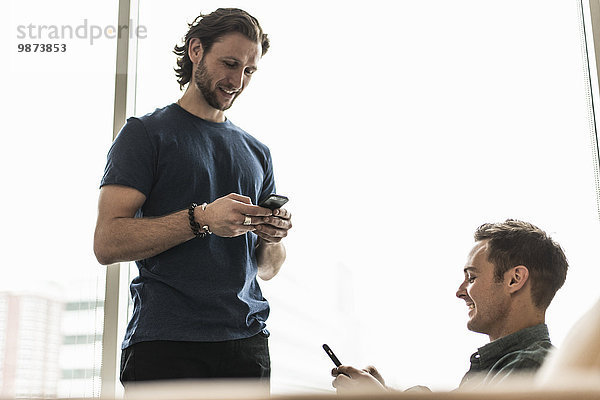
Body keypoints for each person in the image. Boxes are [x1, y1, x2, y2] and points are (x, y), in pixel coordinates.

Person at [93, 8, 292, 386]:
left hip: (247, 344)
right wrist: (200, 219)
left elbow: (267, 268)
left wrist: (271, 237)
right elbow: (106, 243)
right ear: (196, 50)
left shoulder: (258, 152)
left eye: (249, 71)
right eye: (230, 64)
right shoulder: (144, 134)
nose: (237, 81)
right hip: (166, 344)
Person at [331, 219, 568, 393]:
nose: (460, 291)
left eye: (472, 277)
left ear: (514, 279)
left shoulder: (530, 367)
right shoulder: (504, 366)